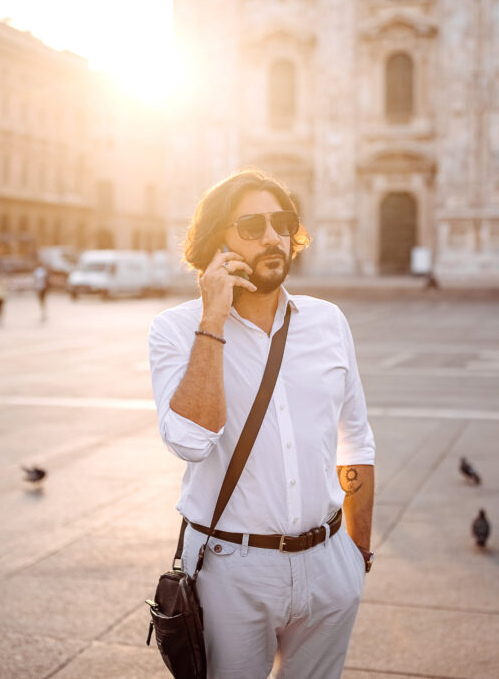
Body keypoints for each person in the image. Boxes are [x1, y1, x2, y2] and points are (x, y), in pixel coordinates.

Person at [148, 168, 376, 678]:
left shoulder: (327, 320)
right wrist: (213, 319)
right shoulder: (175, 330)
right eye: (251, 226)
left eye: (283, 222)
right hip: (233, 567)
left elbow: (356, 437)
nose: (273, 237)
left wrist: (355, 553)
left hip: (329, 561)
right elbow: (189, 440)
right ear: (216, 244)